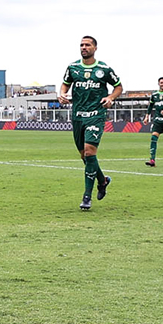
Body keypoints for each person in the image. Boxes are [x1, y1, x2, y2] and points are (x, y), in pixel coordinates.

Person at [58, 36, 122, 210]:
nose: (84, 47)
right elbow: (65, 85)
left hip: (96, 114)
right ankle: (102, 180)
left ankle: (87, 197)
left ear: (95, 48)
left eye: (87, 45)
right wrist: (62, 94)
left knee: (89, 151)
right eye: (81, 45)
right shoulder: (73, 68)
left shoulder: (104, 69)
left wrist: (110, 98)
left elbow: (118, 86)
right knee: (84, 156)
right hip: (78, 115)